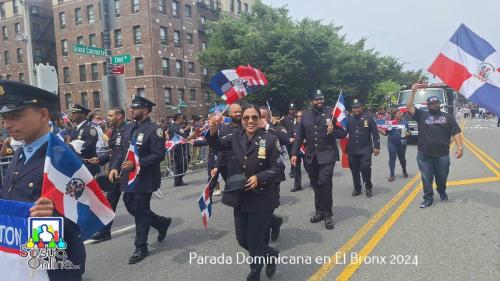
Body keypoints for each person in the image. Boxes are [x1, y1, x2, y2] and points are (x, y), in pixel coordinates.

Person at [0, 80, 86, 280]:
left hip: (54, 262)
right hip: (20, 258)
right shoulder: (20, 152)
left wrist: (55, 214)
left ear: (43, 115)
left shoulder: (62, 156)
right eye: (4, 118)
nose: (7, 125)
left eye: (15, 116)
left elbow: (84, 211)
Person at [207, 105, 284, 281]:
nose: (250, 121)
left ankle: (254, 276)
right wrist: (213, 129)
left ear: (260, 119)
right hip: (241, 197)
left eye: (254, 117)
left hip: (262, 198)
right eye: (246, 118)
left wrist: (259, 177)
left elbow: (278, 168)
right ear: (242, 120)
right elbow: (216, 144)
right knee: (242, 240)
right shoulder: (235, 136)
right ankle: (270, 254)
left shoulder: (270, 139)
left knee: (255, 241)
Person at [109, 95, 171, 264]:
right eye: (130, 108)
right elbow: (120, 150)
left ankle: (141, 247)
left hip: (145, 178)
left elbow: (159, 155)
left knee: (141, 210)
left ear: (145, 110)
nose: (131, 110)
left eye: (134, 108)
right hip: (128, 177)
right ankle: (161, 223)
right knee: (130, 205)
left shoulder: (154, 129)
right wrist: (114, 167)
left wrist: (138, 163)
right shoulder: (128, 128)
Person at [291, 90, 347, 230]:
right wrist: (294, 153)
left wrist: (333, 131)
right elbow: (299, 136)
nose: (320, 101)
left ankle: (328, 215)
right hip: (311, 156)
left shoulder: (331, 113)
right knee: (315, 184)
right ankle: (319, 211)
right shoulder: (305, 115)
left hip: (328, 154)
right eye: (317, 99)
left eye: (322, 99)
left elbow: (343, 132)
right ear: (312, 101)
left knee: (325, 183)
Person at [407, 83, 463, 208]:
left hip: (442, 155)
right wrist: (413, 92)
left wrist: (460, 147)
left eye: (436, 103)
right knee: (426, 178)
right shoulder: (422, 115)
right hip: (424, 154)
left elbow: (456, 133)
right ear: (428, 106)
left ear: (439, 104)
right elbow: (409, 106)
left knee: (442, 177)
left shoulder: (448, 117)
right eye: (431, 104)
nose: (434, 105)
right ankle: (428, 198)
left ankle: (441, 190)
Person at [91, 108, 127, 242]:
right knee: (109, 202)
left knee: (134, 206)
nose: (108, 117)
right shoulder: (115, 131)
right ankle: (105, 231)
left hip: (124, 172)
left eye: (111, 115)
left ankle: (159, 223)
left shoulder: (126, 130)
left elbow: (123, 153)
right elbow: (114, 152)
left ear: (119, 116)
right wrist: (100, 159)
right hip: (114, 172)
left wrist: (116, 167)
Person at [346, 99, 380, 198]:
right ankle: (357, 187)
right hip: (352, 149)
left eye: (357, 107)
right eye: (354, 108)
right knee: (354, 170)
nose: (356, 109)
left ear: (361, 107)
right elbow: (343, 132)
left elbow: (375, 133)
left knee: (365, 167)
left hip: (365, 148)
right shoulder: (348, 119)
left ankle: (368, 186)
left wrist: (376, 147)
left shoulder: (369, 118)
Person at [212, 103, 243, 181]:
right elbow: (221, 149)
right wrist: (216, 166)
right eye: (235, 112)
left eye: (240, 112)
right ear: (229, 114)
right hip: (230, 167)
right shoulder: (224, 129)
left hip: (245, 166)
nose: (238, 114)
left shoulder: (247, 127)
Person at [68, 104, 100, 176]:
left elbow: (90, 147)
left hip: (89, 166)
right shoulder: (74, 129)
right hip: (77, 165)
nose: (71, 115)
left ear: (82, 115)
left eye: (74, 113)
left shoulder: (90, 128)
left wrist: (73, 146)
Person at [378, 109, 409, 182]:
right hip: (392, 143)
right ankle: (392, 174)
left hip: (402, 143)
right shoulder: (390, 123)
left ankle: (404, 170)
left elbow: (408, 132)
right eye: (399, 113)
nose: (401, 115)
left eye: (401, 113)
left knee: (402, 158)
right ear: (394, 114)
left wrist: (405, 134)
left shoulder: (405, 122)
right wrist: (379, 130)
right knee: (392, 158)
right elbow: (386, 133)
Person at [167, 113, 190, 186]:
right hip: (180, 148)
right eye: (181, 118)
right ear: (177, 118)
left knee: (177, 165)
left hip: (174, 148)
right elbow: (184, 138)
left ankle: (177, 181)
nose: (182, 120)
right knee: (183, 164)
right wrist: (193, 135)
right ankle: (178, 179)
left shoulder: (171, 127)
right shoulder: (178, 127)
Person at [289, 110, 304, 192]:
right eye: (299, 116)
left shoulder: (307, 126)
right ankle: (297, 185)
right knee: (296, 168)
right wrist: (290, 139)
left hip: (305, 149)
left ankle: (313, 181)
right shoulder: (293, 126)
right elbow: (289, 135)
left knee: (309, 167)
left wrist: (306, 140)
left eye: (302, 116)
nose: (300, 118)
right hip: (296, 150)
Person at [281, 103, 296, 177]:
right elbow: (282, 128)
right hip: (288, 139)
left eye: (293, 109)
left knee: (294, 155)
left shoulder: (296, 118)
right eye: (290, 109)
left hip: (295, 139)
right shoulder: (285, 119)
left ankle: (294, 171)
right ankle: (293, 170)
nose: (292, 111)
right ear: (288, 110)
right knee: (290, 155)